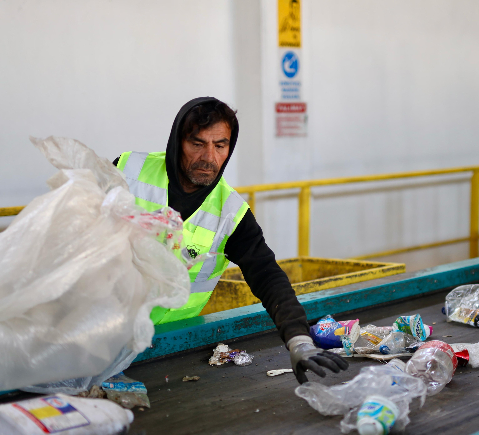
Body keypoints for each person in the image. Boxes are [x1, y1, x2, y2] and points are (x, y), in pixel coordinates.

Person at [114, 97, 348, 383]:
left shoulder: (231, 213)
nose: (209, 158)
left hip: (165, 348)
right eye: (197, 144)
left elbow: (267, 274)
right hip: (104, 332)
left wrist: (299, 342)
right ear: (177, 142)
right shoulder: (128, 172)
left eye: (220, 146)